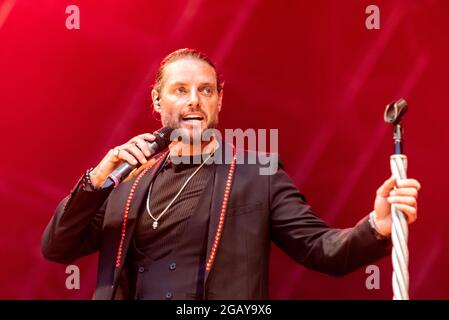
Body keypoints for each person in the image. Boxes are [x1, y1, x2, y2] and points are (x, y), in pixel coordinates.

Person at [41, 48, 421, 300]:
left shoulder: (258, 172)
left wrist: (377, 226)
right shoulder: (128, 181)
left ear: (219, 100)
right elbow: (57, 246)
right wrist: (96, 179)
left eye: (205, 90)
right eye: (180, 90)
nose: (194, 100)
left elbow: (321, 249)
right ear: (157, 100)